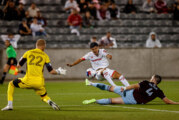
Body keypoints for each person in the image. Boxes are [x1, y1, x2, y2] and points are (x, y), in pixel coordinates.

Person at [1, 39, 67, 111]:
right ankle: (49, 101)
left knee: (11, 84)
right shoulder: (45, 56)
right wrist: (59, 72)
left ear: (36, 45)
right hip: (39, 83)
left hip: (28, 81)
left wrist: (14, 66)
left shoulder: (28, 53)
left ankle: (9, 105)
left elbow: (18, 66)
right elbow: (51, 71)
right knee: (44, 96)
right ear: (43, 46)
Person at [83, 75, 179, 105]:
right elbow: (167, 101)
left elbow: (134, 86)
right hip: (133, 100)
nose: (151, 78)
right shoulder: (159, 91)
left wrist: (124, 88)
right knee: (111, 101)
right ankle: (94, 101)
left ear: (154, 79)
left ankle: (90, 83)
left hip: (129, 91)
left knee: (109, 87)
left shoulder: (146, 82)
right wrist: (176, 103)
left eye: (152, 77)